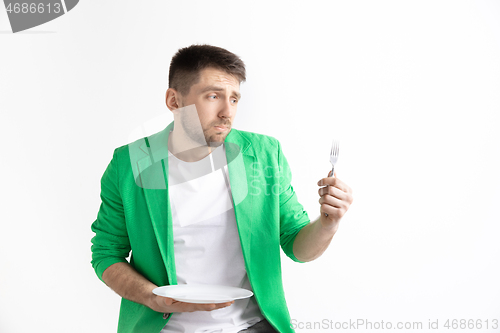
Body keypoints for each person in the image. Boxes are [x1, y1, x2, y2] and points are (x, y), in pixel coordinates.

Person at [90, 44, 353, 333]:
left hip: (251, 327)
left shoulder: (265, 154)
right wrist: (153, 299)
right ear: (174, 101)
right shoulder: (130, 163)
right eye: (213, 96)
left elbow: (297, 246)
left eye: (235, 98)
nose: (228, 112)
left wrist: (329, 223)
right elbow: (106, 253)